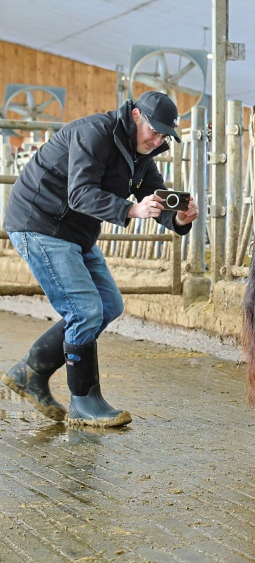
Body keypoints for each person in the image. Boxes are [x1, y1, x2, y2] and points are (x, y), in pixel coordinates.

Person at [2, 91, 199, 428]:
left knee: (108, 305)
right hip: (41, 222)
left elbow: (153, 195)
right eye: (155, 130)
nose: (158, 139)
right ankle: (84, 403)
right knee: (84, 310)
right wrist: (130, 209)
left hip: (75, 232)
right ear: (136, 115)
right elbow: (79, 192)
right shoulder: (93, 133)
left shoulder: (141, 154)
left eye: (165, 135)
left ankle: (29, 372)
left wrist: (178, 219)